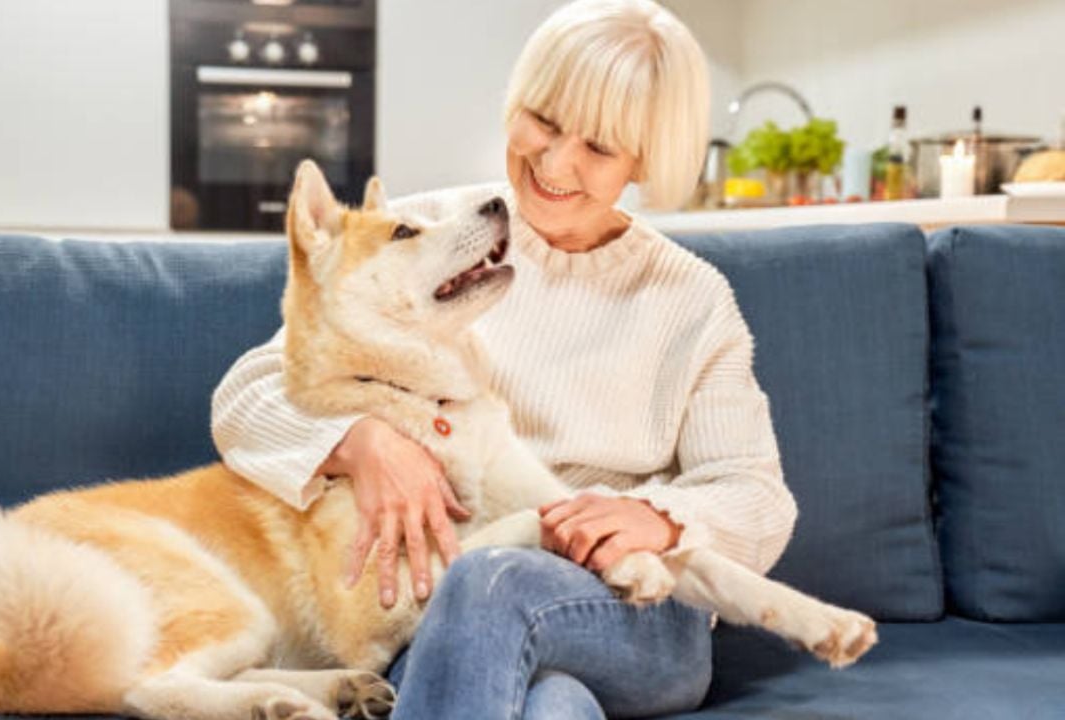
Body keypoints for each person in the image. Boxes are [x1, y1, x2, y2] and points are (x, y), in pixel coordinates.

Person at [211, 0, 798, 716]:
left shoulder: (693, 300)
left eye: (600, 148)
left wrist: (660, 517)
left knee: (494, 580)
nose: (555, 163)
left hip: (633, 616)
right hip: (448, 610)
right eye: (544, 123)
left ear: (645, 159)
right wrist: (358, 442)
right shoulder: (424, 233)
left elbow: (757, 495)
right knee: (552, 706)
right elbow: (248, 396)